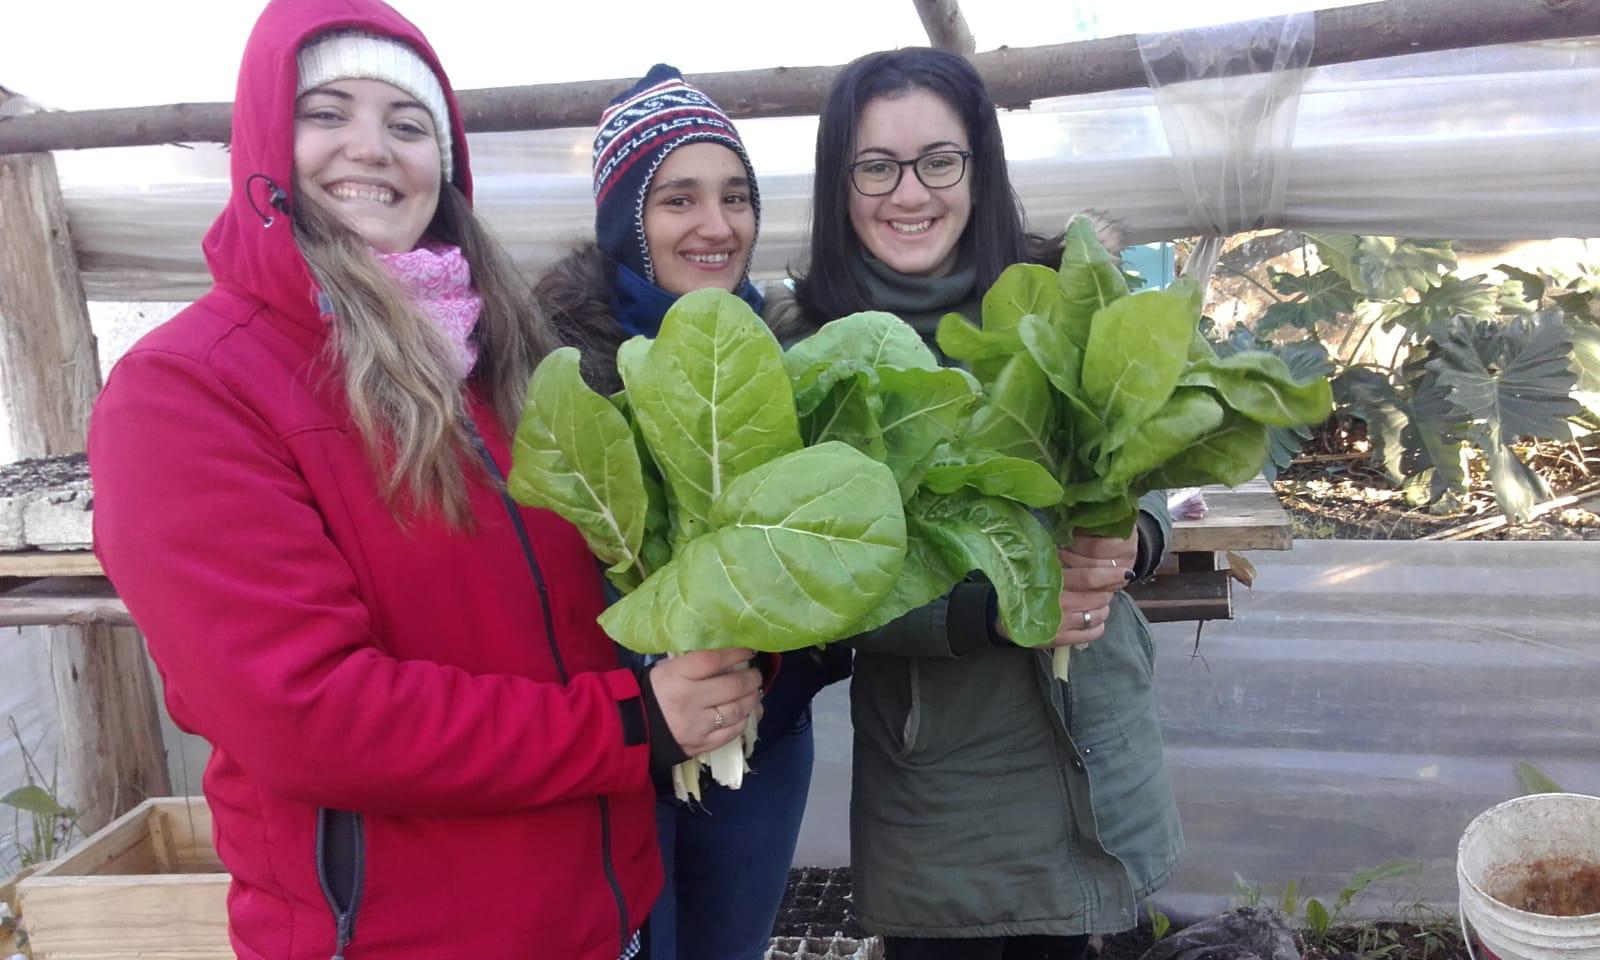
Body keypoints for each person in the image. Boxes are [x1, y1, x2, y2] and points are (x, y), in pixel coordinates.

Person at [87, 4, 761, 958]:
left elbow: (587, 608)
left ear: (443, 164)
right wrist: (631, 722)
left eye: (408, 125)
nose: (371, 149)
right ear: (264, 141)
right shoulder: (188, 388)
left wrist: (725, 654)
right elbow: (308, 714)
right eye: (327, 113)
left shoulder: (501, 360)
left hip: (600, 915)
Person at [769, 47, 1184, 960]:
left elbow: (1159, 458)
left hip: (1090, 736)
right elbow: (806, 574)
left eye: (938, 161)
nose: (908, 193)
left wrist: (1134, 537)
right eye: (875, 166)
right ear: (840, 182)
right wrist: (991, 610)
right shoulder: (805, 350)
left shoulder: (1062, 295)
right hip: (940, 771)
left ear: (979, 168)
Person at [535, 64, 847, 960]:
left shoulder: (799, 357)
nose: (717, 226)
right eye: (679, 199)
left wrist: (782, 664)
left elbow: (848, 557)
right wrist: (649, 682)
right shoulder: (553, 366)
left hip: (761, 741)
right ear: (627, 221)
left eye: (736, 196)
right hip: (614, 749)